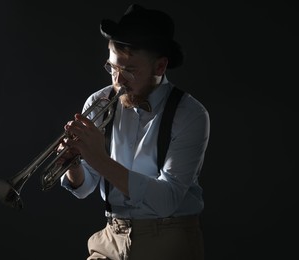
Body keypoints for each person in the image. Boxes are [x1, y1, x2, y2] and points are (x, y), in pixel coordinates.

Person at [59, 3, 210, 260]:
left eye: (129, 70)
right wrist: (72, 164)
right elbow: (85, 188)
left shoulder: (191, 114)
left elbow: (167, 200)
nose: (118, 80)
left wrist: (99, 159)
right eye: (113, 67)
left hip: (170, 239)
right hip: (111, 236)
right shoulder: (98, 103)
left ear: (160, 68)